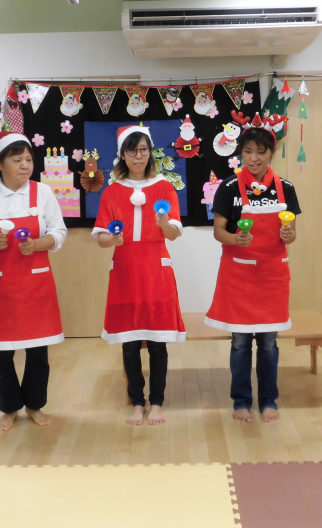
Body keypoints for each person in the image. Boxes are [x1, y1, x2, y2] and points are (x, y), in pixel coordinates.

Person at [0, 131, 67, 432]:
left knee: (38, 350)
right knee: (1, 351)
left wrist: (37, 244)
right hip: (0, 286)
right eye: (16, 160)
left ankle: (34, 404)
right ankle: (9, 407)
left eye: (28, 159)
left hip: (35, 284)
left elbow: (59, 233)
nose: (25, 166)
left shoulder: (42, 193)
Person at [205, 121, 301, 423]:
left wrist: (289, 235)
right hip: (239, 277)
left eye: (261, 152)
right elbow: (218, 231)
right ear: (241, 152)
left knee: (269, 344)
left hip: (273, 276)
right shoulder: (229, 187)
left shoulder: (285, 188)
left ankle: (269, 400)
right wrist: (235, 239)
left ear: (272, 152)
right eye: (248, 151)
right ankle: (241, 401)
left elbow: (292, 232)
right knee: (240, 343)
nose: (254, 158)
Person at [93, 125, 185, 427]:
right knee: (130, 342)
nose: (138, 156)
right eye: (132, 150)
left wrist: (163, 221)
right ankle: (137, 402)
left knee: (157, 342)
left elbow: (172, 234)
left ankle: (156, 402)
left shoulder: (164, 187)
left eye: (143, 149)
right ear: (122, 154)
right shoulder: (112, 191)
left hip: (156, 270)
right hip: (126, 272)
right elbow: (101, 238)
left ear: (150, 152)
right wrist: (112, 239)